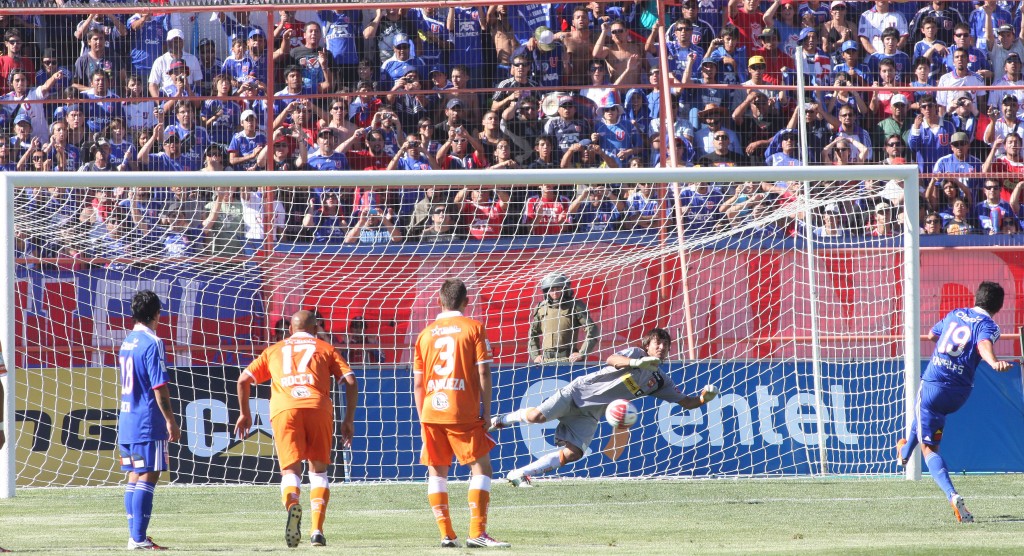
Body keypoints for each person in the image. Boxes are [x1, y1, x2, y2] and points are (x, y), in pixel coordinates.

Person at [490, 328, 719, 485]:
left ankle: (520, 474)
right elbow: (612, 359)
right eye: (657, 343)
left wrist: (703, 399)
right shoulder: (635, 354)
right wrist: (636, 363)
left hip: (592, 412)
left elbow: (687, 403)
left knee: (574, 453)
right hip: (577, 393)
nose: (662, 347)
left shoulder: (659, 381)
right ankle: (500, 420)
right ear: (647, 346)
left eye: (666, 344)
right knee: (537, 417)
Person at [234, 310, 358, 548]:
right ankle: (317, 531)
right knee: (318, 471)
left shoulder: (274, 349)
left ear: (290, 330)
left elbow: (243, 380)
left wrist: (244, 414)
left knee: (290, 470)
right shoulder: (325, 347)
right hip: (317, 407)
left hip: (285, 409)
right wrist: (348, 419)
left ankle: (293, 506)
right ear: (315, 329)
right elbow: (350, 381)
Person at [897, 282, 1015, 523]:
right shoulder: (990, 325)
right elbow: (982, 343)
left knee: (929, 447)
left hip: (934, 384)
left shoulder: (955, 314)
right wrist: (992, 363)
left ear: (976, 297)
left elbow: (932, 334)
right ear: (999, 306)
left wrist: (991, 360)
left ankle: (952, 495)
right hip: (959, 393)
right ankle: (904, 453)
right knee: (923, 416)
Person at [413, 278, 510, 548]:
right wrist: (487, 411)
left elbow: (418, 383)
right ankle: (477, 532)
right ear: (466, 302)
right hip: (461, 410)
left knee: (437, 473)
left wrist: (422, 418)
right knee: (482, 468)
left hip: (431, 410)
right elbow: (484, 371)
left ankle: (446, 535)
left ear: (439, 301)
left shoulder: (425, 334)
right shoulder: (474, 328)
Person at [117, 290, 181, 550]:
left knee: (134, 475)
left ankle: (135, 536)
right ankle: (139, 538)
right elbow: (159, 387)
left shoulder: (127, 341)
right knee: (149, 475)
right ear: (157, 314)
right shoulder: (152, 342)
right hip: (146, 419)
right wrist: (170, 420)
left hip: (127, 420)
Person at [528, 273, 599, 363]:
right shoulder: (541, 308)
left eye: (558, 289)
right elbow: (532, 333)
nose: (555, 293)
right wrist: (535, 355)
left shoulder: (575, 306)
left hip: (568, 359)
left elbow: (592, 329)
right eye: (551, 289)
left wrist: (582, 353)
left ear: (565, 289)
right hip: (545, 361)